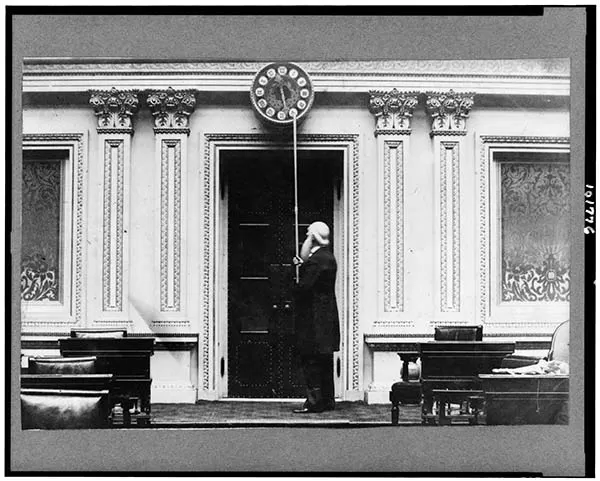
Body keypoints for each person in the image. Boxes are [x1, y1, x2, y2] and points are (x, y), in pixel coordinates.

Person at [292, 221, 340, 413]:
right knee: (324, 361)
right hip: (326, 320)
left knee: (311, 361)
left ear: (313, 237)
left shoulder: (316, 260)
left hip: (314, 321)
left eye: (308, 235)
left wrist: (297, 272)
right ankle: (327, 401)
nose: (305, 239)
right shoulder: (328, 257)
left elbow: (303, 288)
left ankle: (314, 402)